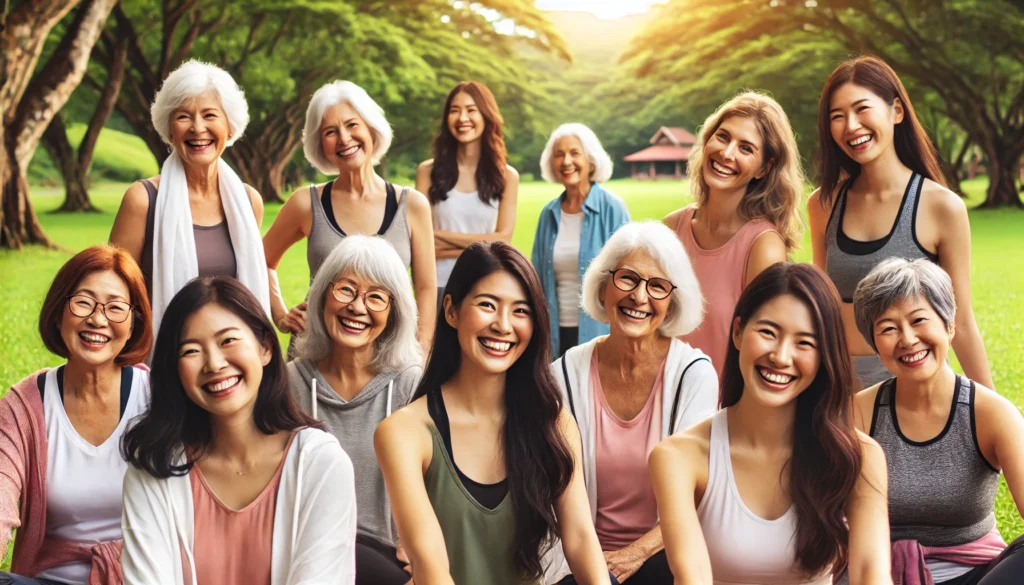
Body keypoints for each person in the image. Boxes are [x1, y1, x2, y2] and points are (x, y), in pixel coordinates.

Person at [375, 242, 610, 585]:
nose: (503, 325)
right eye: (487, 305)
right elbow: (431, 567)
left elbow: (580, 540)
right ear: (451, 311)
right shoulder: (404, 432)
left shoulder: (552, 422)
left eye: (520, 310)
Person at [649, 263, 892, 585]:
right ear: (738, 332)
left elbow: (871, 575)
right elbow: (691, 578)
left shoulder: (859, 456)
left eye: (804, 343)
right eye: (768, 332)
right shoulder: (678, 457)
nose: (780, 356)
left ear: (824, 357)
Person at [120, 277, 356, 585]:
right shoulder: (154, 468)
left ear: (265, 348)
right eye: (191, 351)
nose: (215, 364)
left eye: (228, 340)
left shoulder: (320, 463)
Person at [808, 55, 993, 389]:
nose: (851, 125)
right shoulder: (824, 204)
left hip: (916, 382)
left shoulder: (942, 207)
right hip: (840, 385)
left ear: (896, 111)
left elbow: (961, 321)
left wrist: (994, 413)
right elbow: (822, 306)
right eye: (838, 116)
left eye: (862, 109)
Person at [549, 222, 718, 585]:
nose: (640, 297)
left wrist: (631, 556)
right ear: (604, 284)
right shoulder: (562, 375)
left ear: (673, 300)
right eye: (628, 278)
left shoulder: (693, 375)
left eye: (657, 286)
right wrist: (597, 566)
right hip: (578, 558)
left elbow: (698, 498)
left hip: (664, 556)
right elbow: (553, 497)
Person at [851, 258, 1024, 585]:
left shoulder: (991, 414)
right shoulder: (858, 412)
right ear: (875, 345)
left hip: (978, 576)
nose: (907, 339)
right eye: (888, 328)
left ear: (949, 325)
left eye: (919, 320)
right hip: (879, 574)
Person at [0, 246, 153, 585]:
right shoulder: (24, 405)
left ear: (133, 324)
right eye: (83, 302)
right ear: (58, 313)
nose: (98, 319)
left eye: (115, 308)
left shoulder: (158, 399)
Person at [288, 235, 422, 585]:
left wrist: (423, 548)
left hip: (389, 558)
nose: (358, 308)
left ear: (394, 311)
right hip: (306, 557)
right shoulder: (289, 384)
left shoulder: (410, 386)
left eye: (376, 297)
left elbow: (440, 488)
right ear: (322, 295)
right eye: (346, 289)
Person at [263, 80, 437, 350]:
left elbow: (425, 287)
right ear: (320, 144)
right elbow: (260, 261)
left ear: (371, 128)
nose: (344, 138)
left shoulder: (411, 205)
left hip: (388, 358)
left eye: (352, 124)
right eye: (330, 131)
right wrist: (281, 316)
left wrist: (421, 350)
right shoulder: (306, 204)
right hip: (316, 355)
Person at [109, 59, 269, 338]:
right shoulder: (143, 200)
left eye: (210, 115)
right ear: (169, 129)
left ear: (230, 127)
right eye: (184, 116)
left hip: (231, 358)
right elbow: (114, 292)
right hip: (159, 355)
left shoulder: (248, 201)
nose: (197, 128)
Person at [663, 91, 804, 378]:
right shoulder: (671, 229)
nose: (727, 154)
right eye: (723, 137)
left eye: (746, 148)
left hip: (719, 410)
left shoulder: (763, 247)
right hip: (662, 400)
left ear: (764, 168)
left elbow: (763, 350)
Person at [417, 81, 520, 311]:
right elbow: (421, 241)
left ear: (486, 115)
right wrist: (484, 244)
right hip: (436, 286)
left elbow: (503, 240)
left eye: (471, 110)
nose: (462, 117)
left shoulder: (507, 176)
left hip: (486, 285)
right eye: (455, 110)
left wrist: (437, 237)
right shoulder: (427, 172)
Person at [533, 123, 630, 357]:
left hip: (600, 332)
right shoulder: (548, 214)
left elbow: (630, 273)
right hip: (554, 334)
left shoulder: (612, 208)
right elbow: (534, 277)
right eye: (559, 154)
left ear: (591, 160)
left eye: (574, 153)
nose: (566, 161)